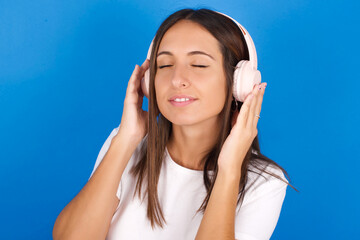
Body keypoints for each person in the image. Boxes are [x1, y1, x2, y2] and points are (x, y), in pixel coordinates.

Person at [53, 8, 297, 240]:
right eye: (165, 65)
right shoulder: (125, 146)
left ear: (238, 83)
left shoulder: (264, 182)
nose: (177, 79)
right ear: (149, 81)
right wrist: (125, 139)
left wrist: (229, 169)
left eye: (199, 65)